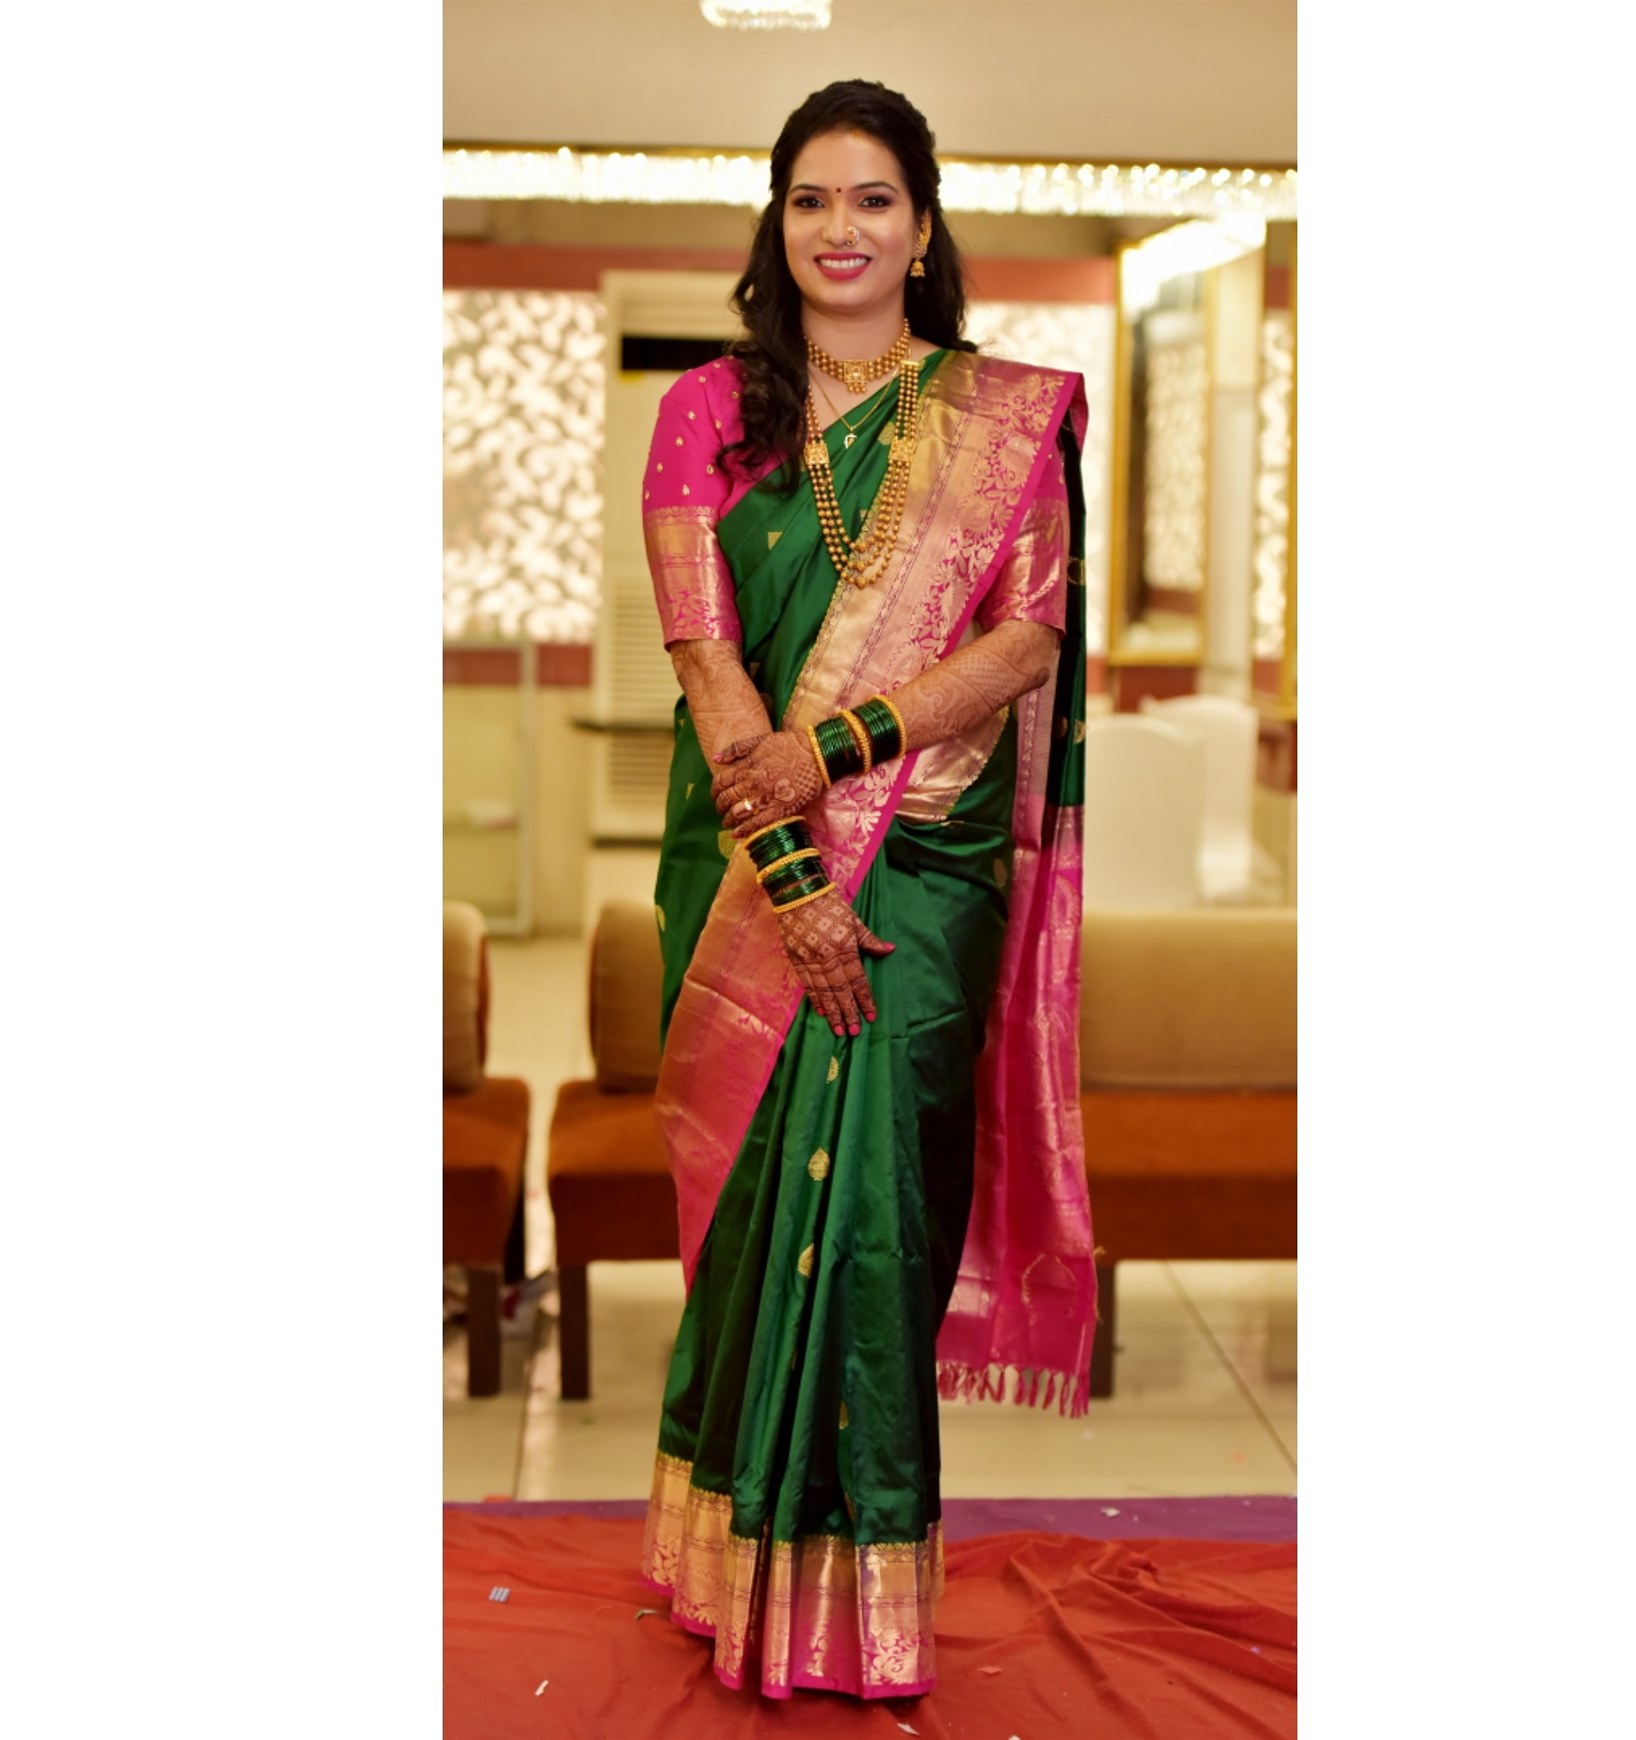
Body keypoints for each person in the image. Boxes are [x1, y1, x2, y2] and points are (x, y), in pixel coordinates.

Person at [636, 78, 1096, 1701]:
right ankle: (727, 1571)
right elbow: (706, 662)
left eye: (873, 198)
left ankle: (859, 1608)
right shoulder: (707, 413)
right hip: (749, 876)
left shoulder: (1003, 418)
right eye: (811, 199)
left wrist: (840, 745)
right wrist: (793, 879)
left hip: (930, 864)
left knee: (885, 1217)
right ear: (778, 223)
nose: (841, 228)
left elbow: (1028, 638)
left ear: (922, 225)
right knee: (763, 1205)